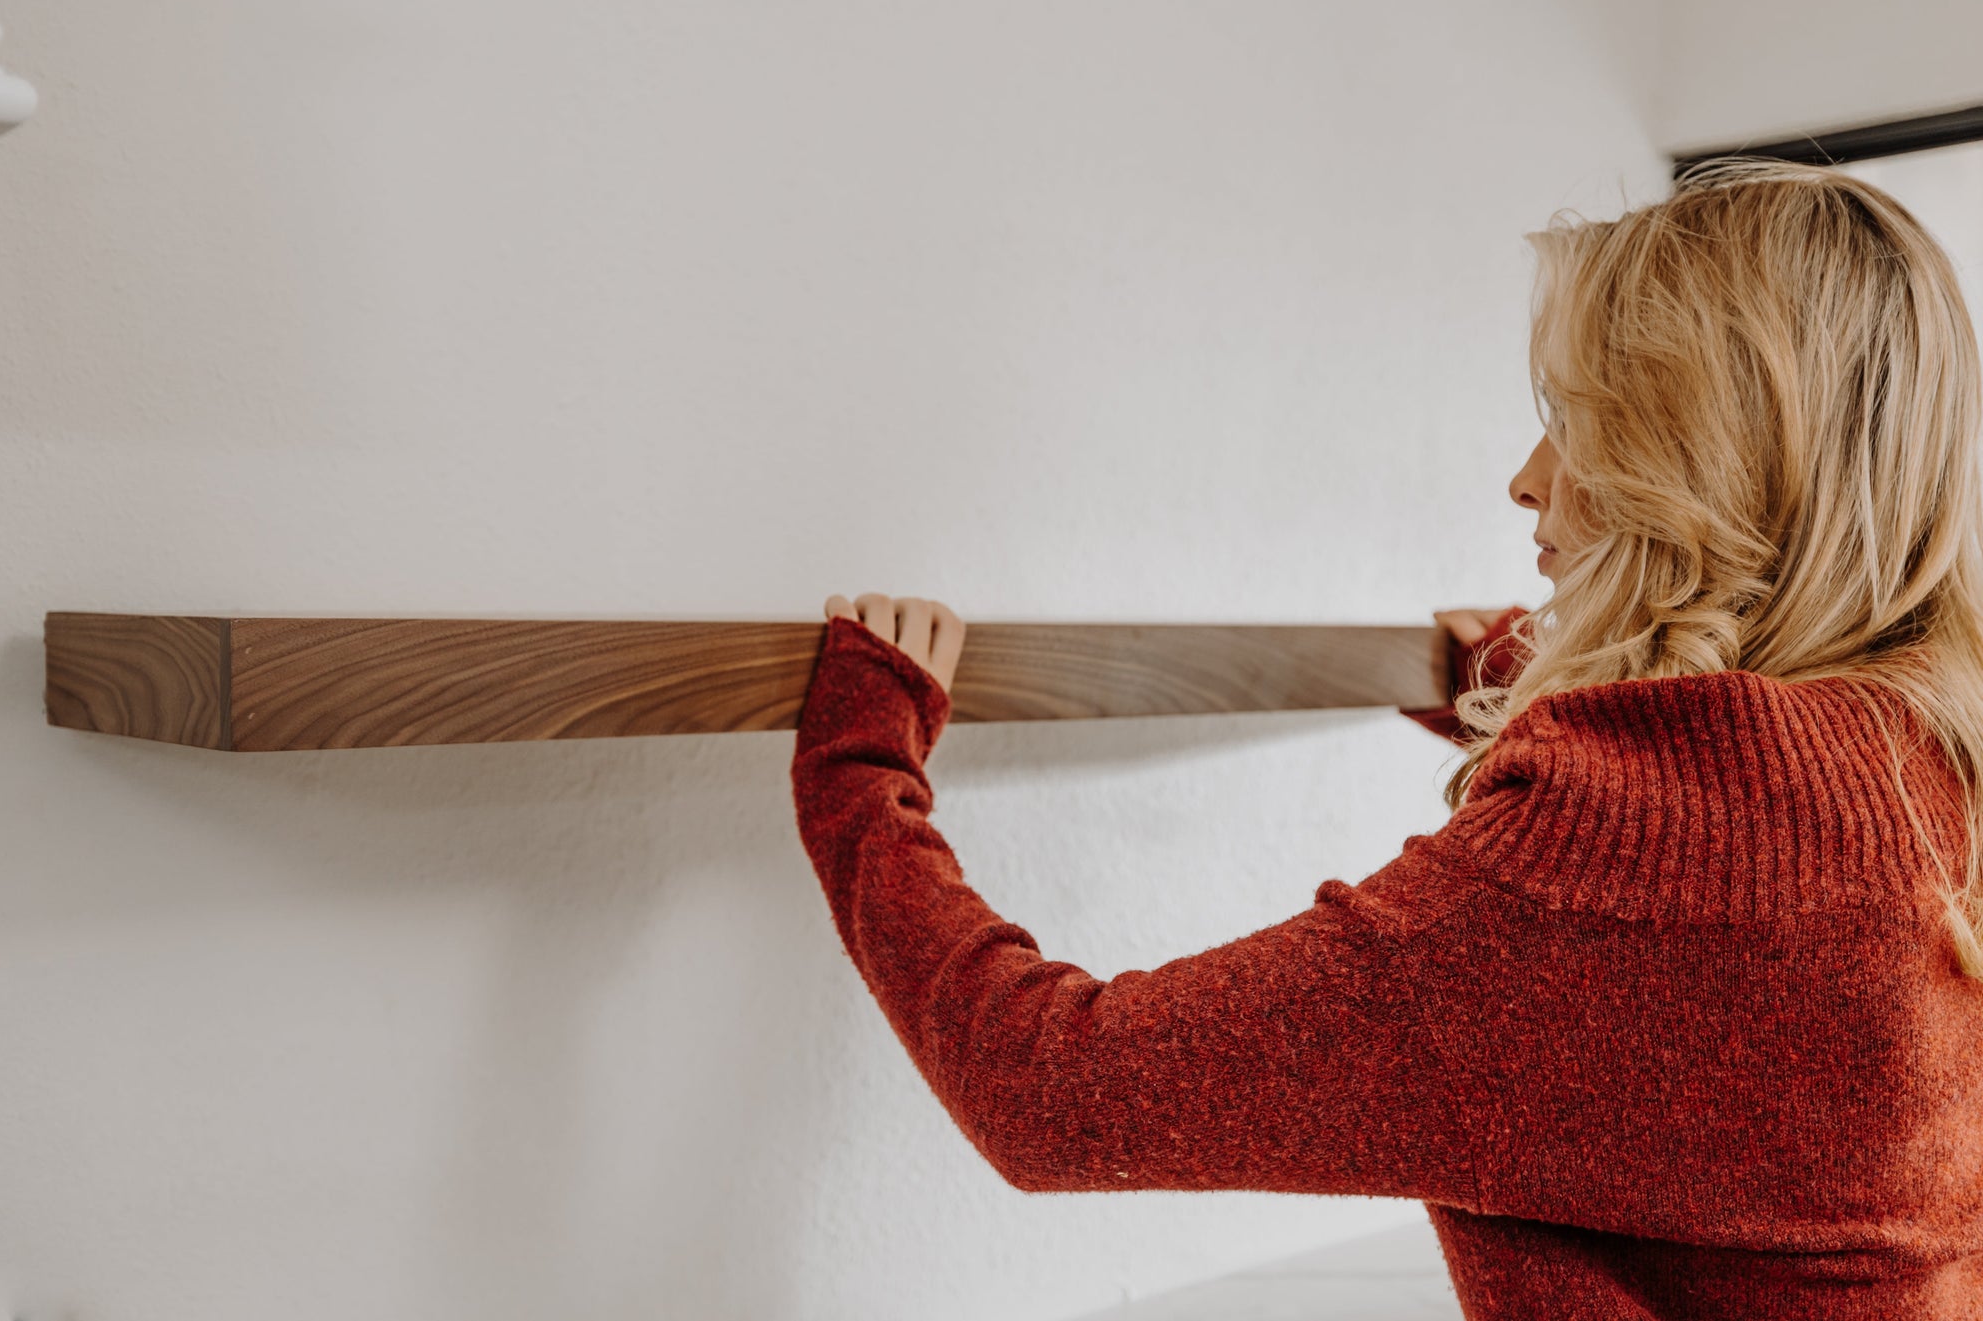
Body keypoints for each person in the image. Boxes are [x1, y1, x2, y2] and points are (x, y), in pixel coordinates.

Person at [790, 155, 1983, 1318]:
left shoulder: (1615, 851)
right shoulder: (1937, 751)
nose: (1525, 481)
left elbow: (1048, 1091)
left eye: (1575, 421)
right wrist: (1522, 677)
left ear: (1694, 468)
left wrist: (857, 765)